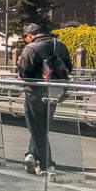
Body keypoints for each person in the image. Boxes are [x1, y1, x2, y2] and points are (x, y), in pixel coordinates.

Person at [17, 23, 72, 175]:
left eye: (26, 38)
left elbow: (24, 74)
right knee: (42, 127)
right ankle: (31, 155)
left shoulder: (30, 49)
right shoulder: (59, 45)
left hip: (34, 94)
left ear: (29, 35)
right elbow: (69, 67)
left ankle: (46, 163)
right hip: (54, 93)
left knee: (37, 128)